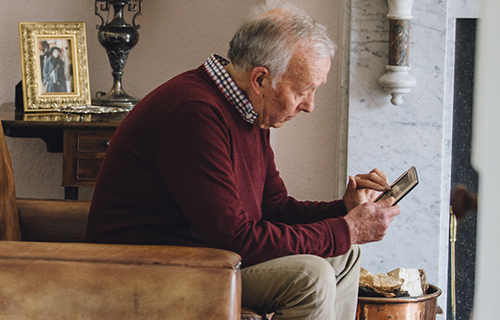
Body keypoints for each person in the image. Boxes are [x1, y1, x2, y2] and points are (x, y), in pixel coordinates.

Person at [86, 3, 400, 319]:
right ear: (260, 79)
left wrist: (345, 211)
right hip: (150, 270)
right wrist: (345, 229)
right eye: (303, 91)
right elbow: (235, 238)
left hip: (209, 258)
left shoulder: (248, 111)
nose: (310, 106)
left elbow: (274, 209)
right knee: (311, 276)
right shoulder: (194, 113)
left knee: (346, 255)